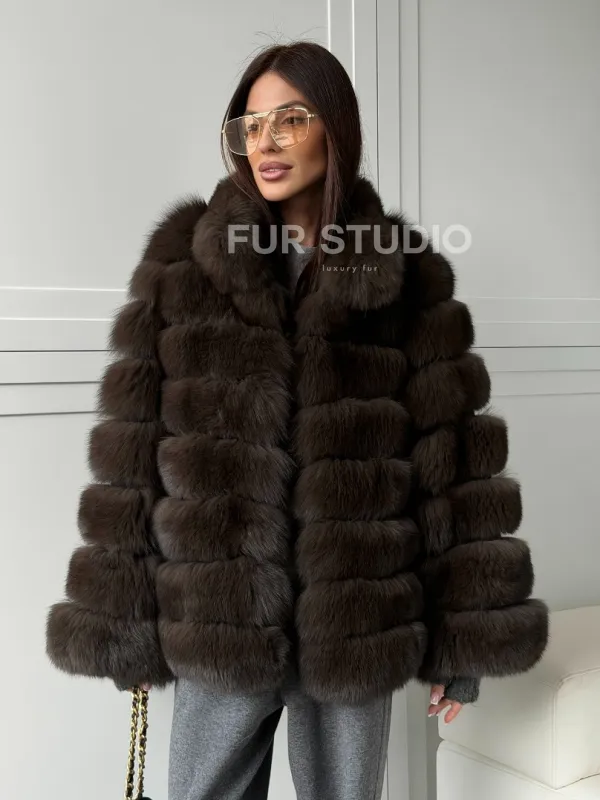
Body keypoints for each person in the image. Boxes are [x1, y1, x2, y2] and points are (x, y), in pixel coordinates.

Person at [45, 40, 549, 800]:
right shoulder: (182, 265)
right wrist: (122, 624)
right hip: (218, 617)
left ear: (335, 128)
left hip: (356, 620)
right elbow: (132, 458)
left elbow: (456, 465)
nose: (267, 142)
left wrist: (466, 639)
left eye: (291, 118)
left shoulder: (407, 277)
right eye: (251, 125)